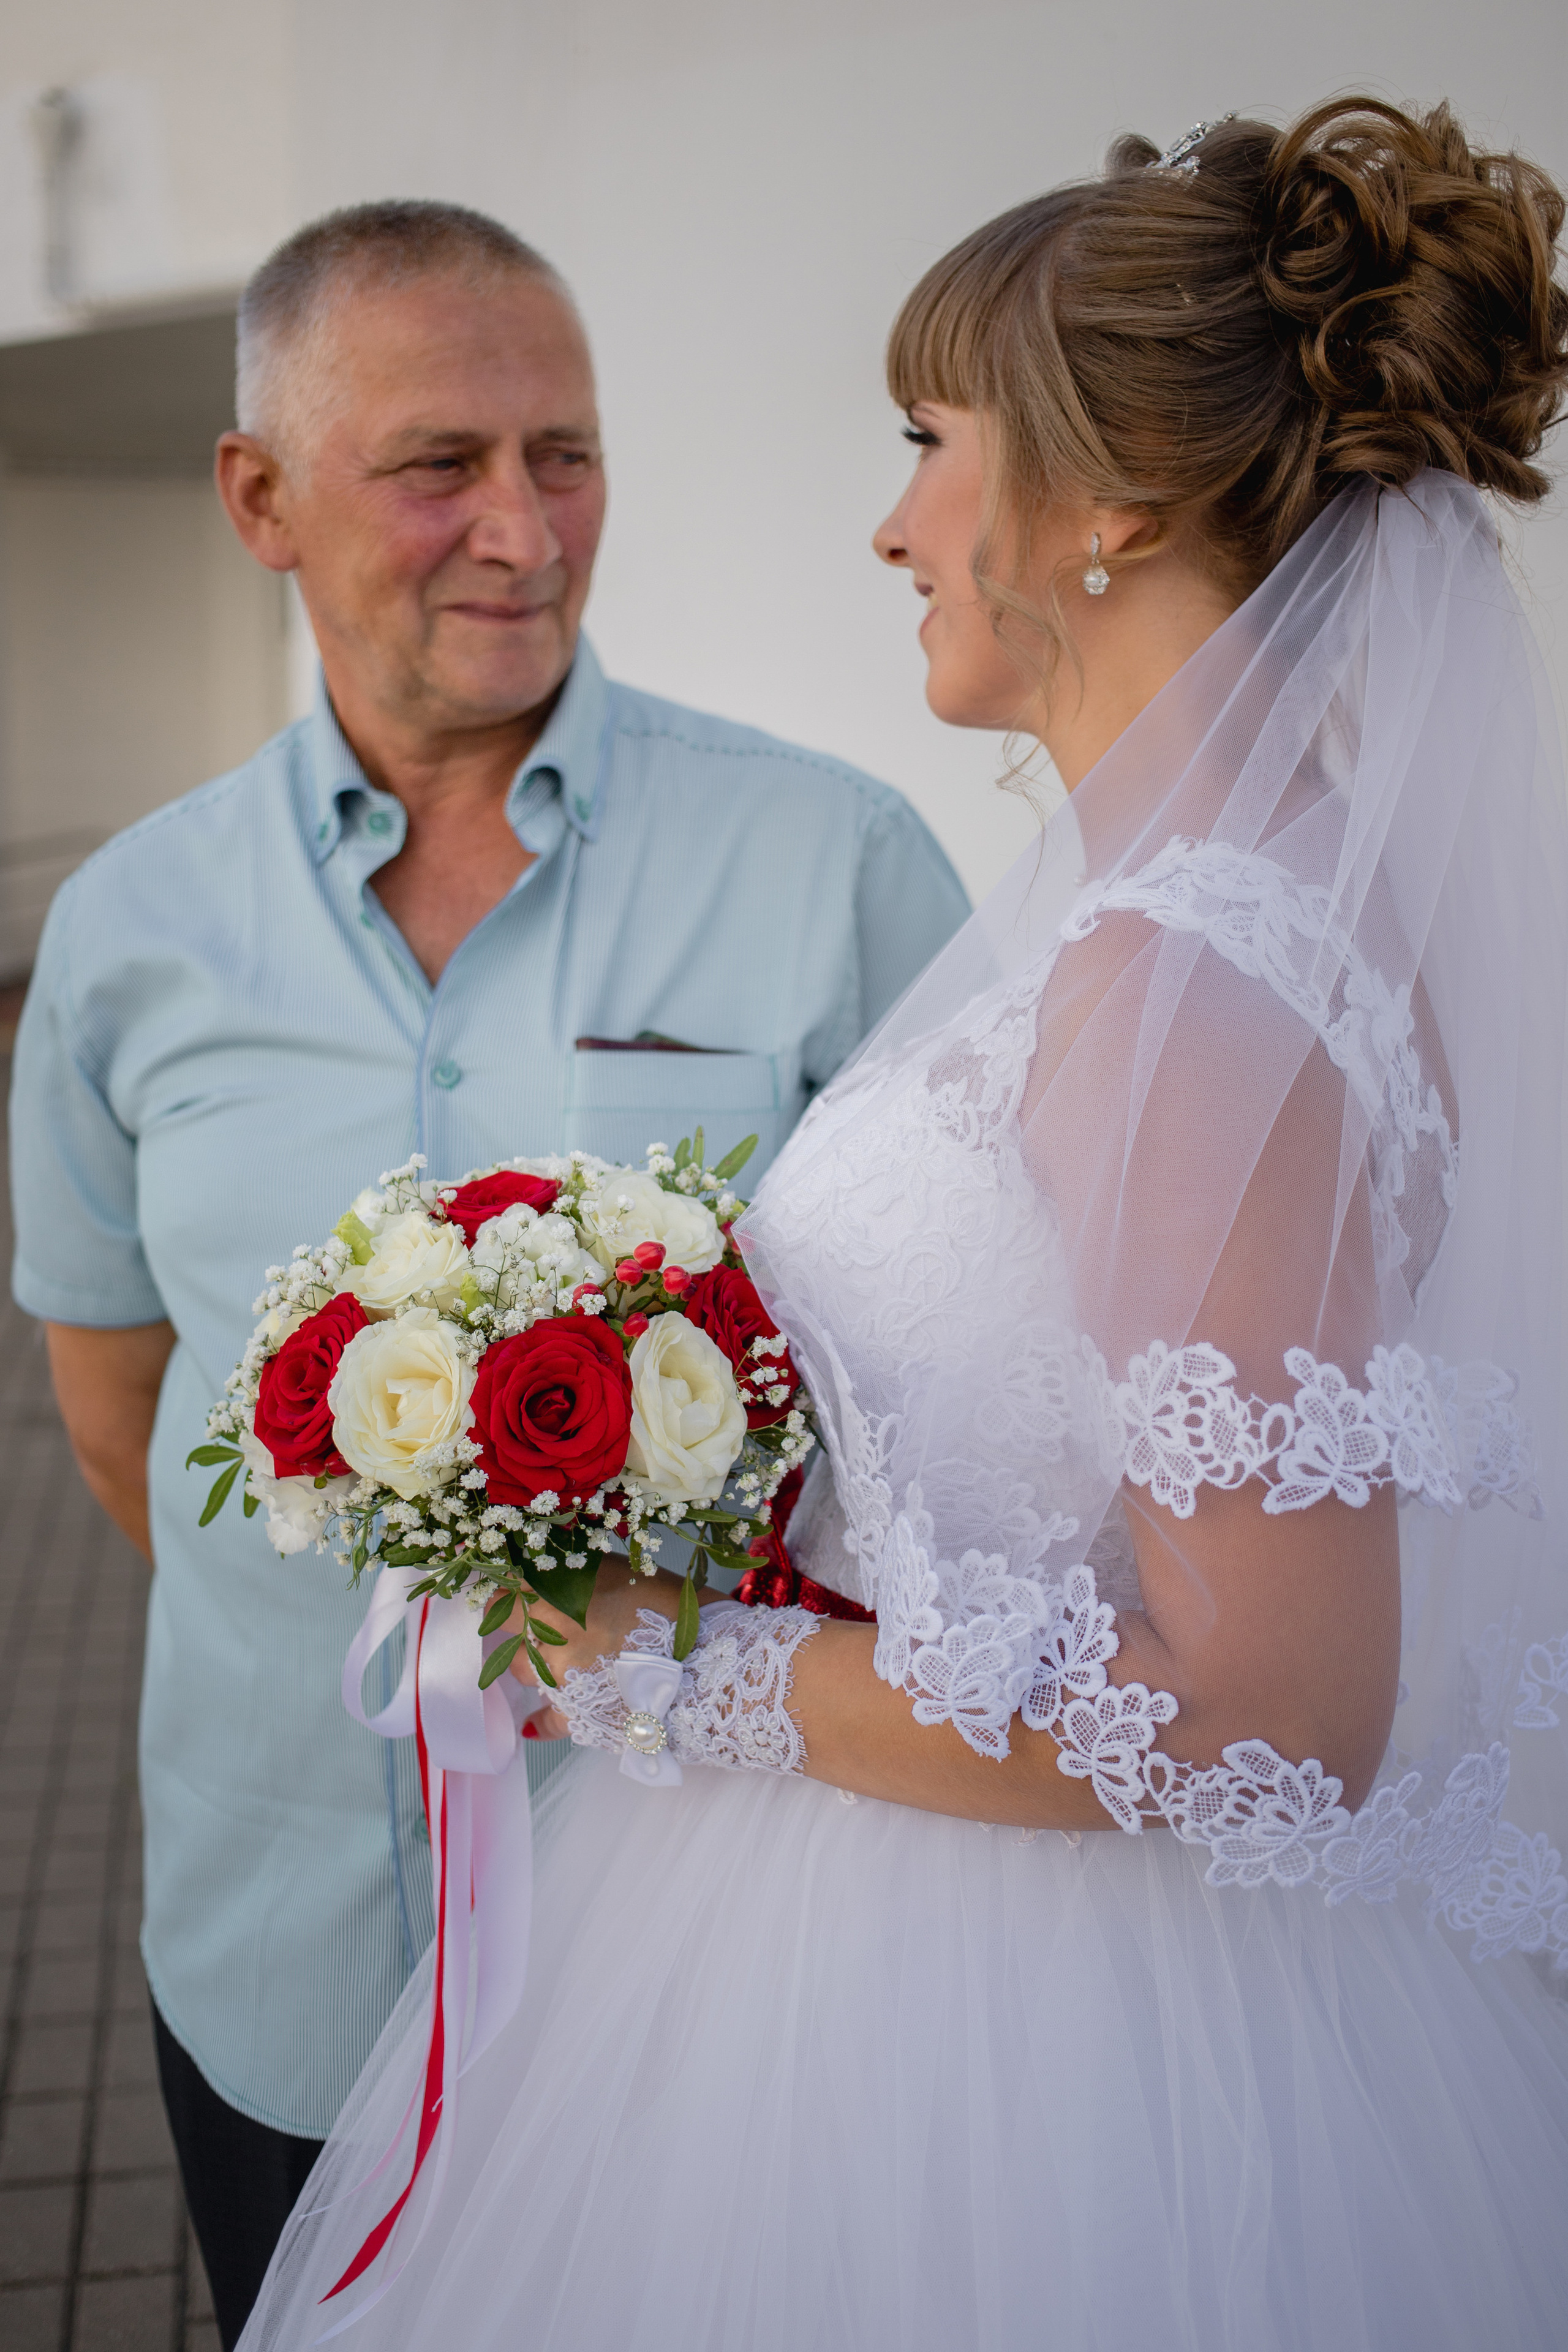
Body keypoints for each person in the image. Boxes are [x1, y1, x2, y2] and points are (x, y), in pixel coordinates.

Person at [239, 101, 1568, 2351]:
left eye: (931, 436)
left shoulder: (1192, 970)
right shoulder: (1175, 914)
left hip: (1055, 2034)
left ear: (1109, 497)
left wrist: (679, 1661)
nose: (893, 521)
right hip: (893, 1904)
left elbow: (1272, 1706)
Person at [6, 200, 967, 2349]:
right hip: (281, 1969)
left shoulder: (841, 867)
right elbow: (112, 1426)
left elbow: (973, 1419)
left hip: (717, 1983)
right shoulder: (126, 938)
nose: (524, 530)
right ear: (258, 496)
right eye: (441, 462)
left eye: (571, 455)